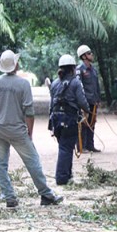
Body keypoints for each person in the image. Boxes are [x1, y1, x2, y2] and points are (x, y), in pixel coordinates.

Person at [0, 50, 63, 208]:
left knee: (1, 164)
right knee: (32, 160)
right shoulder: (23, 84)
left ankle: (9, 197)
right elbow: (29, 112)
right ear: (15, 65)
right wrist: (30, 133)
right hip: (17, 130)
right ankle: (46, 195)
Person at [49, 54, 89, 185]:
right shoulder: (76, 82)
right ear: (72, 68)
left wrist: (51, 125)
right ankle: (61, 177)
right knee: (66, 148)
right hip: (69, 119)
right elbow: (82, 102)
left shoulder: (54, 83)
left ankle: (68, 174)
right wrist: (88, 111)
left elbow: (51, 104)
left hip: (56, 119)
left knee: (65, 146)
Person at [76, 44, 102, 153]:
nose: (91, 55)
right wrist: (81, 103)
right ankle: (82, 146)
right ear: (83, 56)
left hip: (93, 101)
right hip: (84, 102)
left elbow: (96, 86)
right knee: (83, 124)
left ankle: (90, 145)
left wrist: (98, 99)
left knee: (92, 123)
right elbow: (78, 87)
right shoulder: (79, 70)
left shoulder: (93, 70)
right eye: (89, 53)